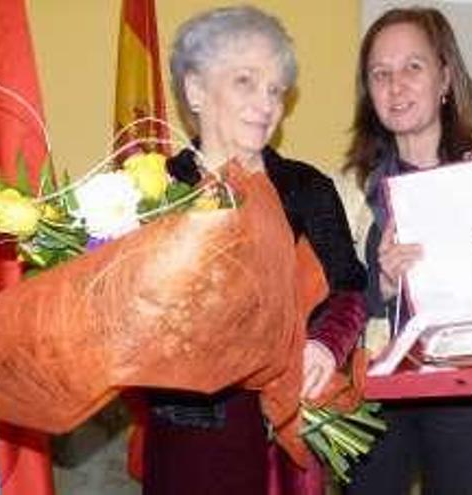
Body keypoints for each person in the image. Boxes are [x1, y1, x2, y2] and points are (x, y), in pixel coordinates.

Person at [139, 6, 367, 494]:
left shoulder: (305, 188)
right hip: (185, 437)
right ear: (196, 90)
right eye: (246, 81)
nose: (265, 103)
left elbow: (349, 287)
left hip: (279, 435)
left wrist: (324, 345)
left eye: (275, 90)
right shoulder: (153, 190)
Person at [338, 7, 472, 495]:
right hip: (376, 392)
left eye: (412, 67)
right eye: (381, 73)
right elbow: (334, 306)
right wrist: (384, 286)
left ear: (445, 76)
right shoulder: (349, 190)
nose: (395, 85)